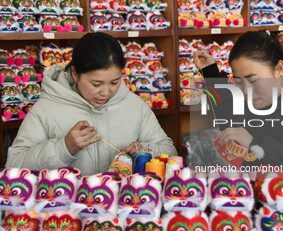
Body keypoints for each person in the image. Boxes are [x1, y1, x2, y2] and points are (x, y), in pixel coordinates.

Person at [6, 32, 177, 175]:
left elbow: (170, 151)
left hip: (125, 207)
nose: (106, 92)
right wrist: (64, 147)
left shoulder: (134, 105)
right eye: (96, 84)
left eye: (115, 82)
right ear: (75, 73)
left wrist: (145, 150)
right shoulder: (46, 109)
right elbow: (13, 165)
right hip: (65, 210)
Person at [193, 30, 283, 166]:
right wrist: (209, 71)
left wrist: (254, 144)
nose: (246, 91)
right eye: (239, 81)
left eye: (254, 80)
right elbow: (229, 113)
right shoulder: (255, 101)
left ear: (279, 69)